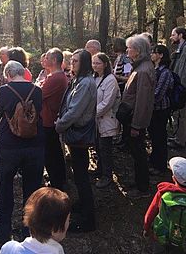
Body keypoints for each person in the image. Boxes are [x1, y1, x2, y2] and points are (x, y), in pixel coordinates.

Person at [0, 61, 44, 249]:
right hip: (34, 144)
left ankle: (3, 234)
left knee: (5, 186)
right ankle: (29, 232)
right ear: (24, 72)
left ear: (8, 74)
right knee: (32, 189)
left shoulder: (4, 91)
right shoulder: (37, 90)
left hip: (9, 145)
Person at [55, 49, 97, 232]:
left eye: (76, 61)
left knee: (81, 175)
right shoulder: (79, 80)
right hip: (74, 133)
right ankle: (83, 204)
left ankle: (89, 220)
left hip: (78, 133)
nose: (72, 64)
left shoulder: (86, 83)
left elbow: (75, 111)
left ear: (85, 63)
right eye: (71, 61)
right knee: (80, 173)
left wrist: (59, 125)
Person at [122, 35, 155, 198]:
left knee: (139, 153)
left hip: (136, 120)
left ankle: (143, 188)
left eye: (130, 48)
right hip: (132, 117)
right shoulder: (140, 66)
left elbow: (143, 101)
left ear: (138, 51)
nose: (127, 50)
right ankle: (139, 181)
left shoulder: (143, 70)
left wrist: (136, 125)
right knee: (136, 152)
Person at [0, 187, 71, 254]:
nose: (69, 223)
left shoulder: (8, 248)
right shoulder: (57, 251)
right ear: (55, 229)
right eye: (68, 220)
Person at [143, 157, 186, 253]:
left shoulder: (164, 192)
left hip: (162, 234)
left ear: (173, 178)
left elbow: (150, 213)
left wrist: (146, 229)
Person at [41, 48, 68, 191]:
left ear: (54, 60)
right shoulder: (53, 76)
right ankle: (59, 179)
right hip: (49, 119)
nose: (44, 60)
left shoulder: (56, 78)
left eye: (47, 58)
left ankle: (57, 183)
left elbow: (38, 94)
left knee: (51, 154)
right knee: (54, 151)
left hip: (49, 121)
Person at [92, 53, 121, 188]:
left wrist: (89, 114)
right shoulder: (95, 78)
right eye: (93, 63)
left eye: (98, 63)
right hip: (96, 121)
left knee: (105, 149)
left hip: (107, 121)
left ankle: (107, 175)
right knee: (98, 147)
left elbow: (107, 103)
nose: (95, 65)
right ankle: (100, 170)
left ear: (105, 64)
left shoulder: (110, 80)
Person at [148, 45, 174, 175]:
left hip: (160, 110)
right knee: (153, 136)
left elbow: (158, 94)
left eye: (154, 52)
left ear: (161, 55)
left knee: (160, 137)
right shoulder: (154, 69)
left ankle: (160, 166)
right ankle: (154, 160)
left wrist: (147, 102)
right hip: (152, 110)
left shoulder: (165, 73)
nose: (152, 54)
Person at [168, 27, 186, 149]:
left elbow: (185, 70)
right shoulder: (180, 48)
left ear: (180, 35)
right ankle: (180, 137)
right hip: (179, 86)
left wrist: (182, 88)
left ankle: (181, 140)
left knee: (181, 112)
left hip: (182, 88)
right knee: (178, 113)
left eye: (173, 34)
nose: (171, 37)